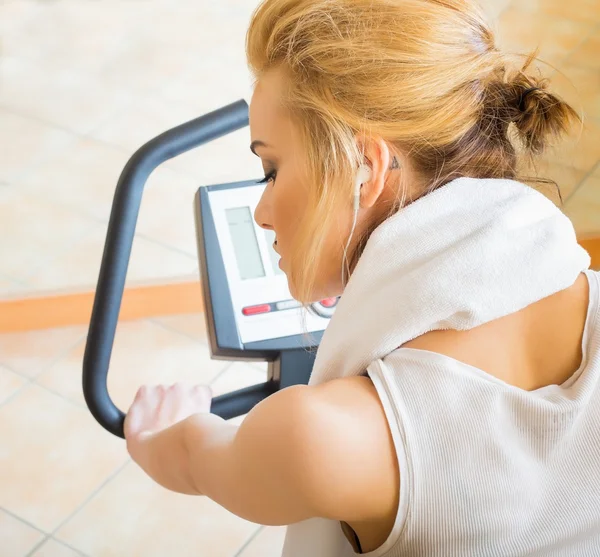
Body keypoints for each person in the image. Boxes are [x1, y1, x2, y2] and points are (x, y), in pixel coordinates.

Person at [123, 0, 600, 555]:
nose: (261, 211)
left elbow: (190, 455)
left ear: (365, 168)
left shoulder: (322, 437)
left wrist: (163, 431)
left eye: (272, 170)